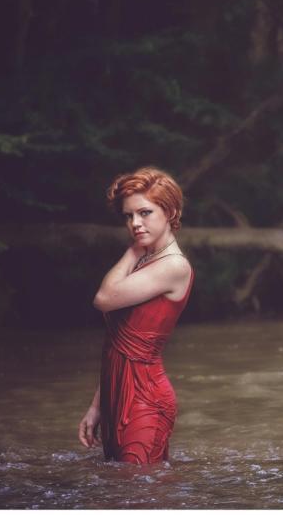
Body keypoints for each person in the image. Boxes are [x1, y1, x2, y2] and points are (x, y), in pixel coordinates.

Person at [78, 166, 194, 464]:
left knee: (138, 496)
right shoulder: (147, 261)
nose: (135, 223)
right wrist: (97, 406)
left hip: (146, 399)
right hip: (116, 396)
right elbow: (117, 345)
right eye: (128, 216)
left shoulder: (173, 266)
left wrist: (132, 250)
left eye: (145, 213)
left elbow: (103, 299)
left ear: (169, 212)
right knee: (121, 497)